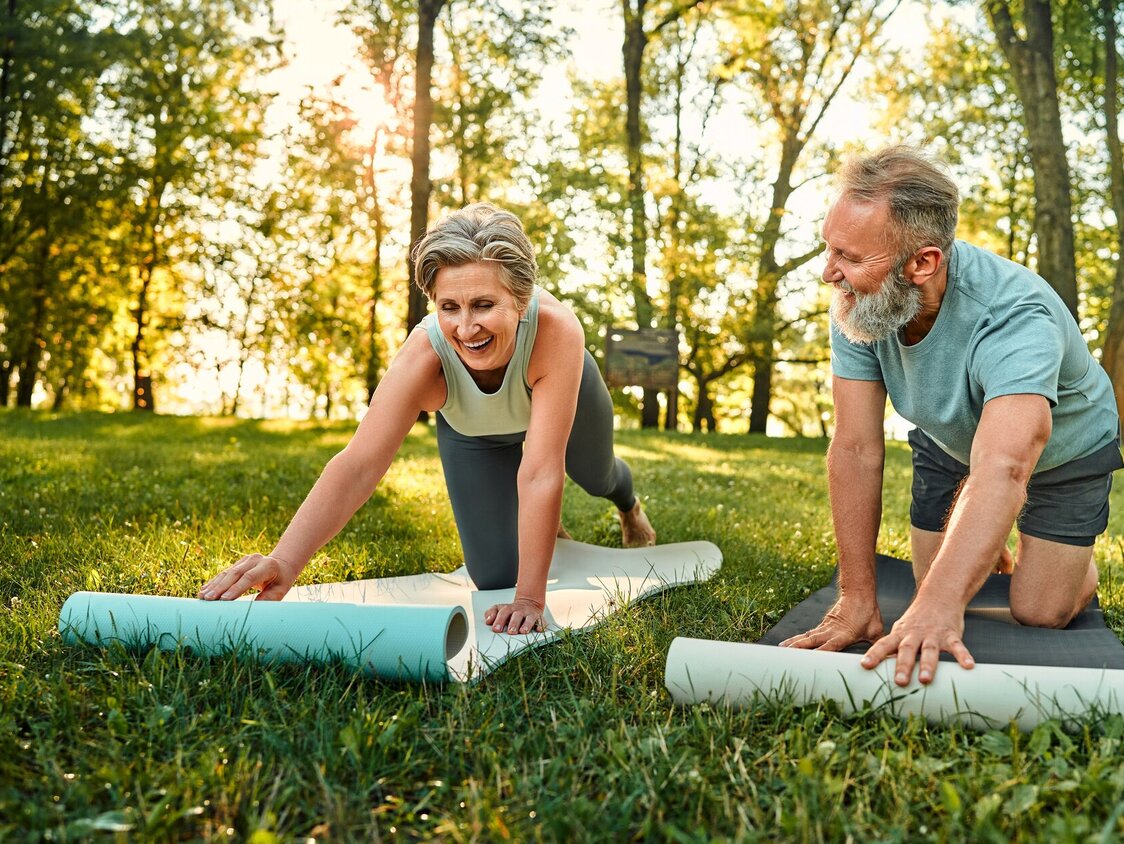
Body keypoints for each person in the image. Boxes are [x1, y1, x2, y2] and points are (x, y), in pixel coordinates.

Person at [199, 203, 656, 635]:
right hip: (475, 432)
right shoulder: (424, 356)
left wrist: (531, 601)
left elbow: (539, 472)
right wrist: (285, 561)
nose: (465, 327)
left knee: (595, 474)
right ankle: (546, 530)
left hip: (566, 400)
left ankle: (627, 504)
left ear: (520, 301)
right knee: (496, 574)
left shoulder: (557, 330)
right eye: (448, 307)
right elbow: (358, 465)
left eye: (483, 305)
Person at [781, 145, 1122, 686]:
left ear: (923, 263)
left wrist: (942, 606)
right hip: (949, 438)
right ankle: (988, 532)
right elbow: (855, 447)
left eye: (849, 258)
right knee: (929, 584)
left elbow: (1004, 467)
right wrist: (856, 597)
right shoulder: (859, 302)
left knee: (1039, 611)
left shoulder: (1015, 317)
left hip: (1064, 449)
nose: (829, 273)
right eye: (831, 249)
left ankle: (1072, 565)